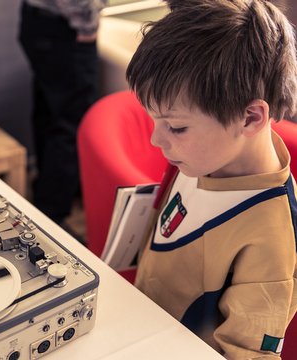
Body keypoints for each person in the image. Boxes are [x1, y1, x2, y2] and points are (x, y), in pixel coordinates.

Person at [125, 0, 297, 358]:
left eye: (176, 126)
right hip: (136, 325)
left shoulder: (273, 238)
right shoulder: (200, 157)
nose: (157, 140)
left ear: (250, 117)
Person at [18, 0, 106, 232]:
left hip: (38, 19)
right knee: (71, 123)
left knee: (49, 112)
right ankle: (51, 218)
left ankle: (45, 200)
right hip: (64, 27)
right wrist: (88, 25)